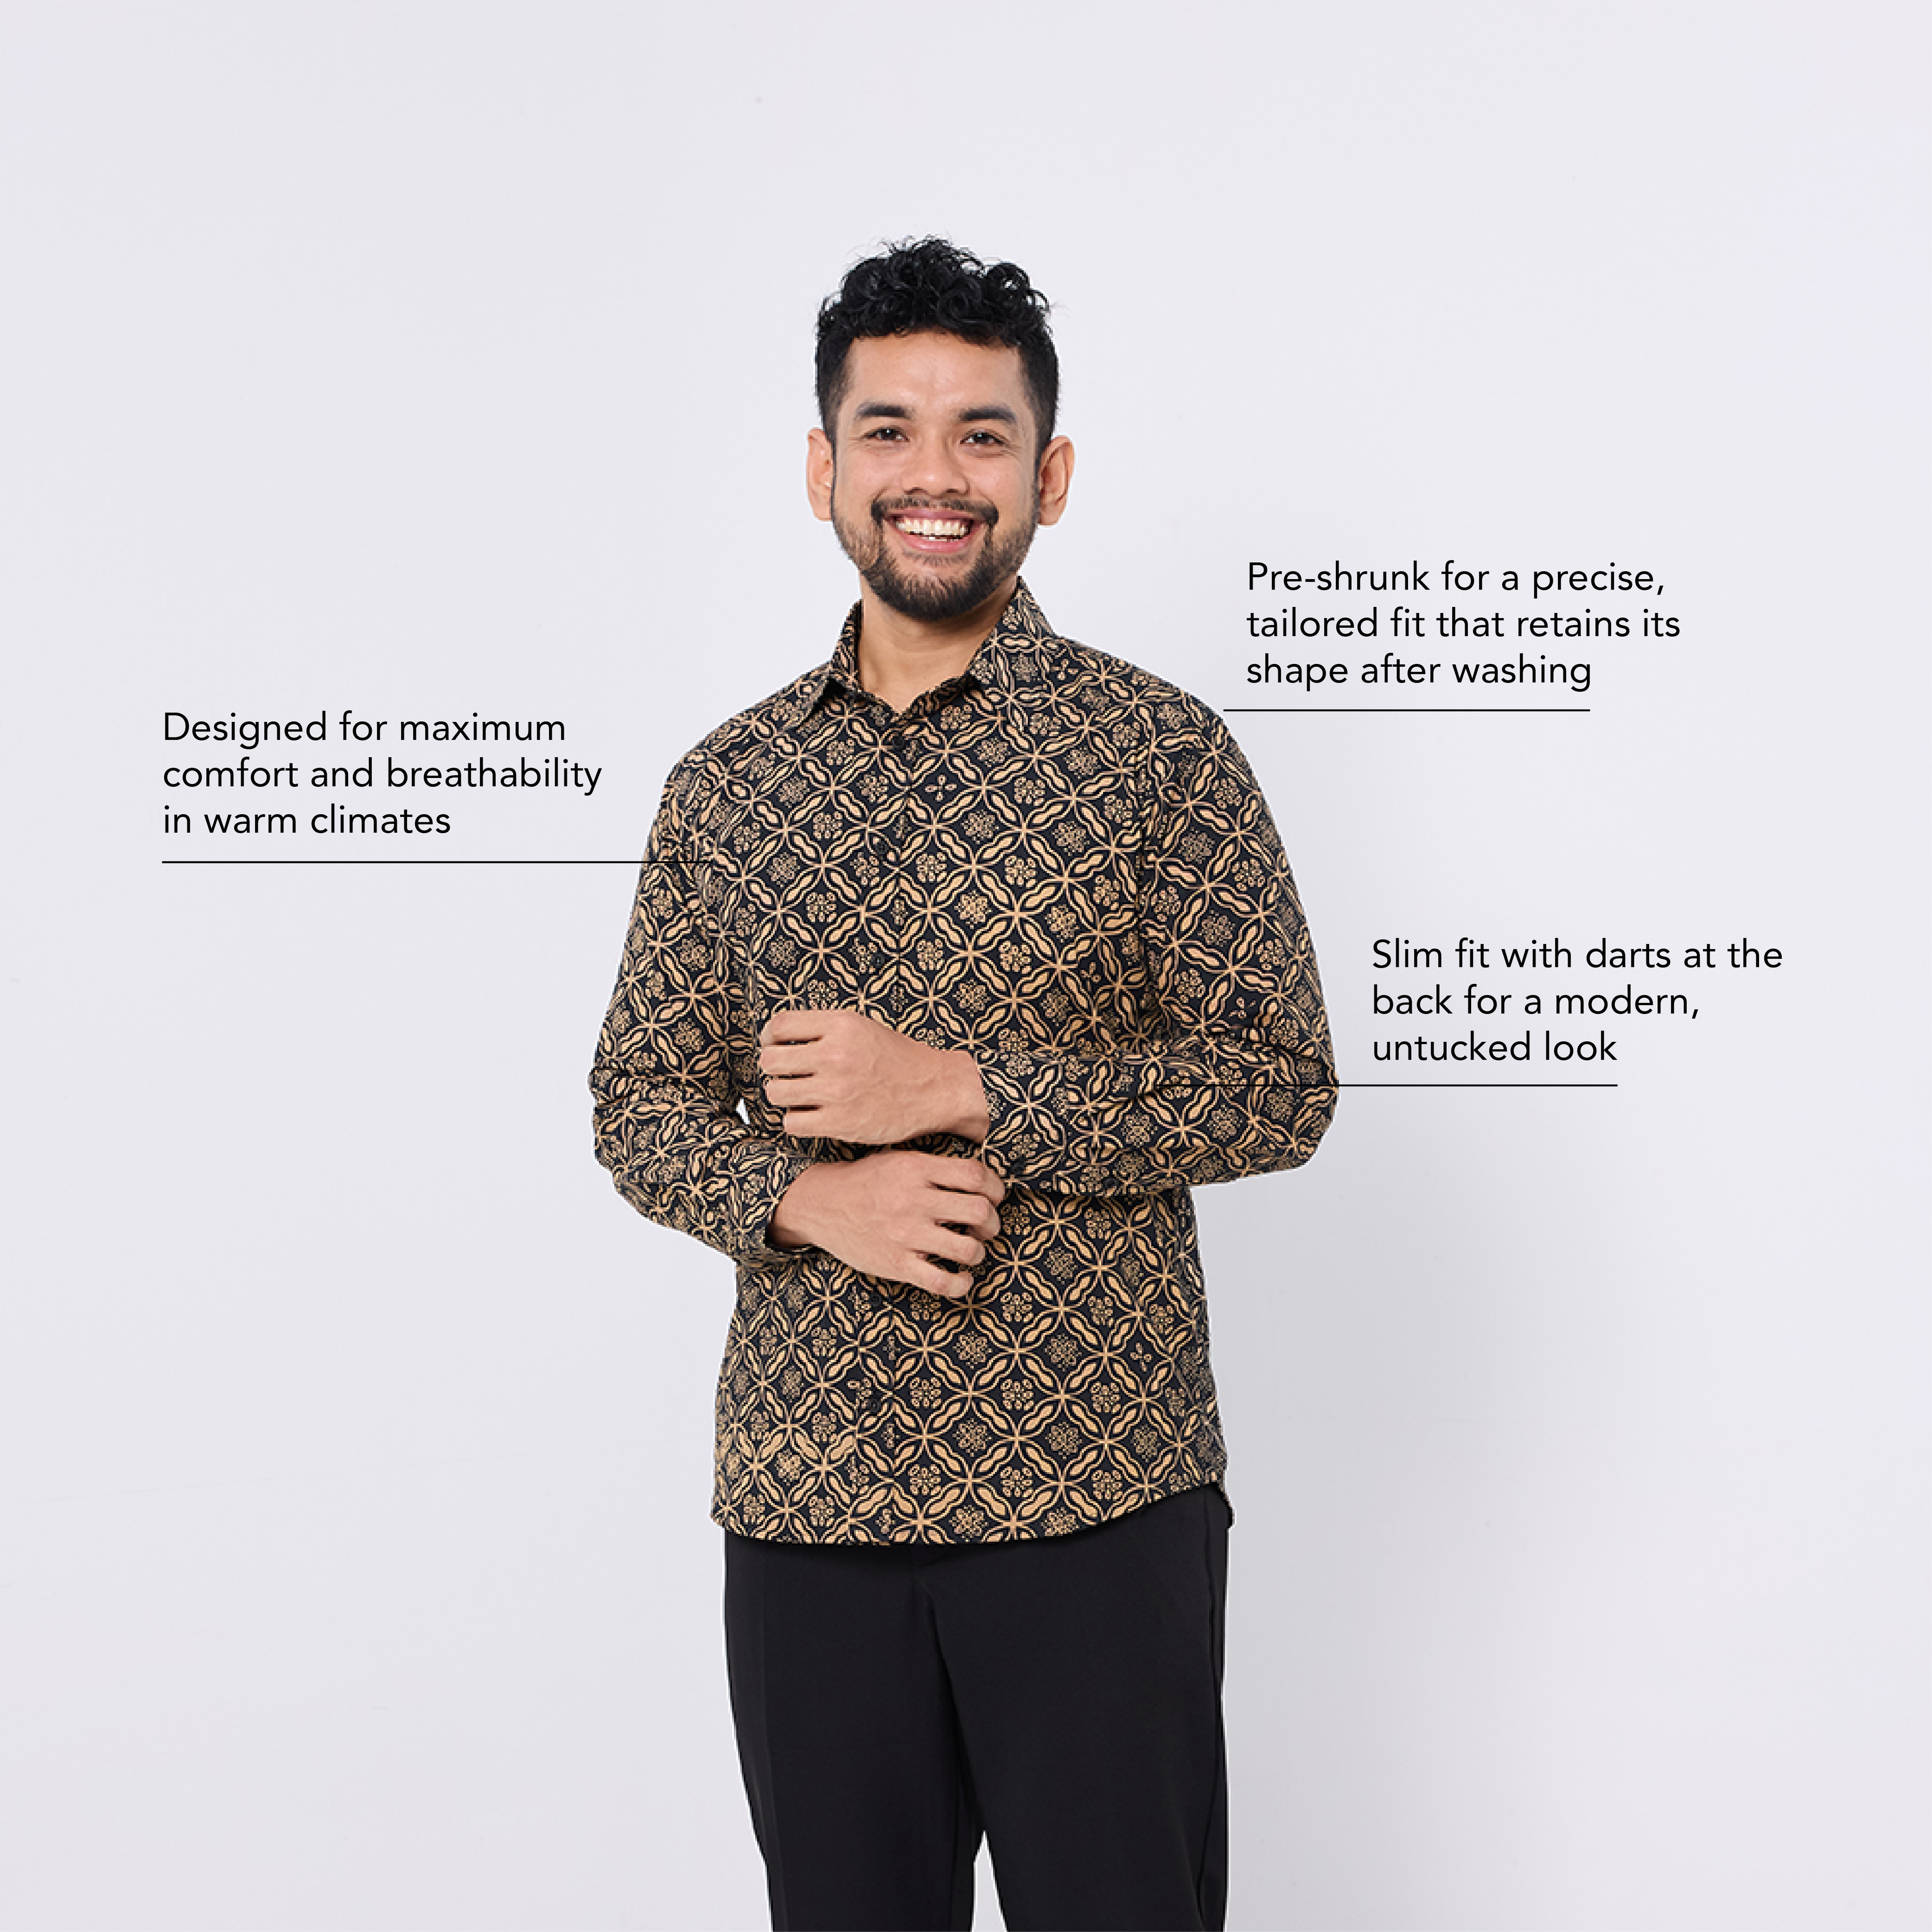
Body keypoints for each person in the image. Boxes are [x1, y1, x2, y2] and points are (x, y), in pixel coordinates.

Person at [590, 237, 1336, 1932]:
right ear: (823, 469)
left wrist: (965, 1088)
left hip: (1097, 1499)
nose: (935, 474)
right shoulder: (726, 784)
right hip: (806, 1500)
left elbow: (1277, 1082)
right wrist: (801, 1192)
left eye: (982, 435)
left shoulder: (1160, 754)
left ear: (1048, 476)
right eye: (889, 429)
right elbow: (636, 1098)